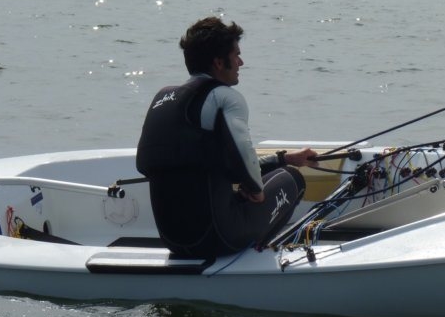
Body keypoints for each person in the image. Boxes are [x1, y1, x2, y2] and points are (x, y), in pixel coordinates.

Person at [136, 17, 318, 259]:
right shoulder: (225, 97)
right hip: (220, 239)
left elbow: (209, 162)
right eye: (237, 55)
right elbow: (243, 158)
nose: (241, 62)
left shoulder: (163, 99)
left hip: (174, 241)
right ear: (219, 62)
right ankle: (256, 257)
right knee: (292, 179)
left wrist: (283, 158)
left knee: (238, 185)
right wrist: (256, 189)